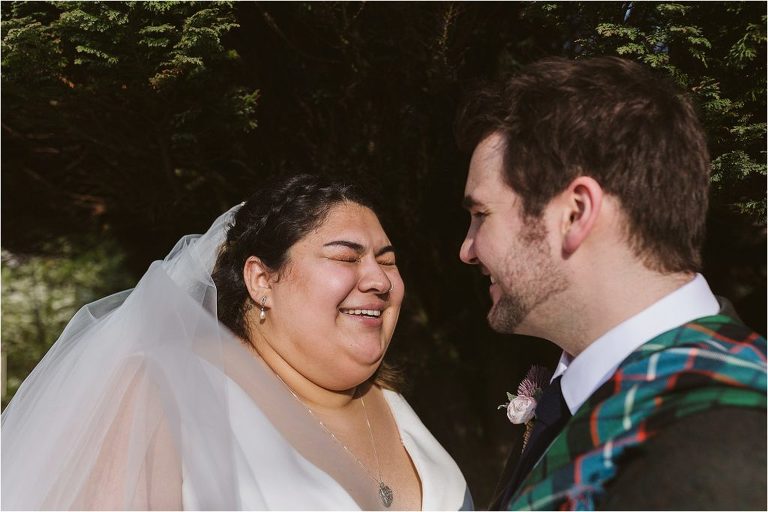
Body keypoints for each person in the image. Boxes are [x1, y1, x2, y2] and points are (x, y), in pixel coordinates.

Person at [1, 174, 472, 510]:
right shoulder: (166, 391)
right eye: (346, 257)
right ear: (262, 280)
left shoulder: (394, 403)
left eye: (387, 261)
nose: (378, 279)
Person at [455, 57, 766, 510]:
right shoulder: (593, 396)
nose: (466, 250)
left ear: (576, 213)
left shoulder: (721, 446)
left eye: (480, 215)